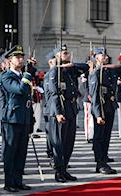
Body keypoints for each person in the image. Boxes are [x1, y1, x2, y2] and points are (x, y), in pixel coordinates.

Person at [48, 44, 88, 182]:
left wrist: (68, 65)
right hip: (61, 109)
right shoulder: (54, 72)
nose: (68, 55)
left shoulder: (70, 70)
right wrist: (58, 113)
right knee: (59, 142)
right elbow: (54, 94)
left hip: (71, 108)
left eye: (67, 53)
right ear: (57, 55)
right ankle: (58, 171)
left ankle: (64, 169)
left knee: (69, 142)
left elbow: (85, 67)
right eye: (64, 53)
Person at [89, 47, 121, 174]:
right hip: (101, 107)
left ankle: (104, 157)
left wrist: (111, 66)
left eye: (106, 55)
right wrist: (97, 114)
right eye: (102, 55)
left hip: (110, 106)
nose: (105, 57)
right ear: (96, 57)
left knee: (106, 135)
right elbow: (95, 95)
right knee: (99, 136)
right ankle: (99, 162)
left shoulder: (110, 71)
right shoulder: (96, 73)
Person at [1, 45, 33, 192]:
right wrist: (27, 75)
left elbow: (27, 96)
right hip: (12, 119)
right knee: (10, 152)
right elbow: (20, 90)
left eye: (22, 57)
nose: (21, 60)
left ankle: (18, 180)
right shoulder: (7, 76)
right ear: (9, 61)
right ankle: (9, 182)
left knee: (21, 152)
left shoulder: (22, 77)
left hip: (23, 118)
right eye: (17, 57)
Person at [43, 51, 56, 167]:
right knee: (51, 135)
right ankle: (52, 156)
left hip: (55, 109)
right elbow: (48, 95)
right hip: (50, 109)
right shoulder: (49, 75)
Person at [82, 56, 95, 143]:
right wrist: (89, 95)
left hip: (94, 97)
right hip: (88, 98)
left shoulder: (94, 73)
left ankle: (93, 134)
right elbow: (84, 87)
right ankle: (88, 135)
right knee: (88, 117)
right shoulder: (85, 74)